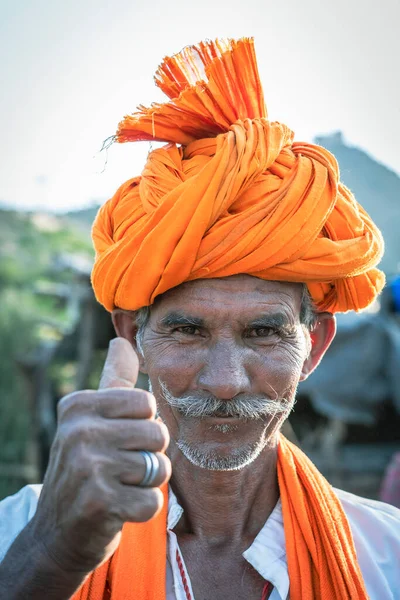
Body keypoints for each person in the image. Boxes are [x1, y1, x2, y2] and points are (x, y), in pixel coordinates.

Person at [0, 37, 399, 600]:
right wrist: (52, 556)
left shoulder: (386, 558)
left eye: (263, 333)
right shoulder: (22, 535)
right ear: (130, 337)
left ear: (315, 346)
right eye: (186, 331)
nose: (224, 381)